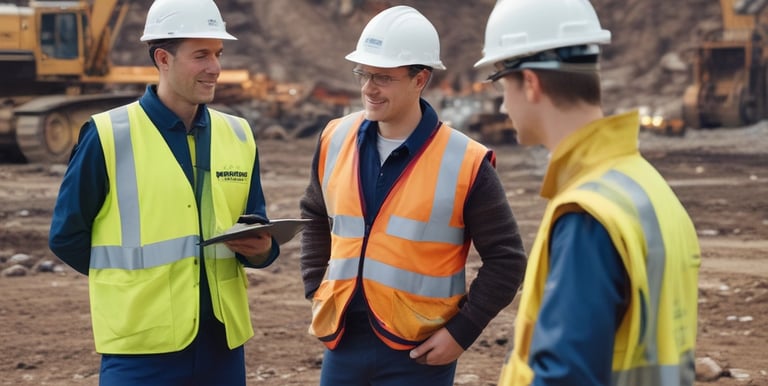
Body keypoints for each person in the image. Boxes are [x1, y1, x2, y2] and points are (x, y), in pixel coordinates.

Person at [48, 0, 280, 384]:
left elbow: (255, 223)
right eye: (201, 55)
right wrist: (127, 288)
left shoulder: (237, 134)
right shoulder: (109, 135)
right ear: (163, 58)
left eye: (218, 54)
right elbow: (67, 236)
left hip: (221, 347)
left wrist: (264, 250)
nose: (216, 68)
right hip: (141, 350)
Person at [474, 1, 702, 385]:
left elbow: (564, 376)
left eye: (501, 84)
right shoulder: (649, 187)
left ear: (530, 83)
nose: (502, 104)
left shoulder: (588, 213)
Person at [299, 5, 527, 386]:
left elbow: (507, 260)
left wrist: (462, 333)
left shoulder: (465, 162)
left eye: (382, 78)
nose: (367, 88)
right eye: (364, 74)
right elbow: (313, 212)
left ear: (420, 79)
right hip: (343, 343)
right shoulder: (334, 138)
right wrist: (315, 286)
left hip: (420, 356)